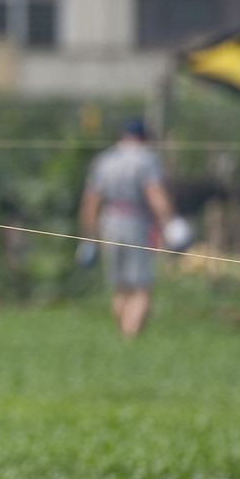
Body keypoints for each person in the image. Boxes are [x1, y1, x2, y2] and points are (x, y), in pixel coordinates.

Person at [77, 118, 181, 338]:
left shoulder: (104, 159)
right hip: (137, 221)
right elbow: (155, 194)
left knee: (120, 285)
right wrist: (170, 222)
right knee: (141, 285)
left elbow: (91, 201)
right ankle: (131, 337)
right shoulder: (147, 159)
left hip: (110, 222)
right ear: (143, 137)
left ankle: (123, 333)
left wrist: (89, 235)